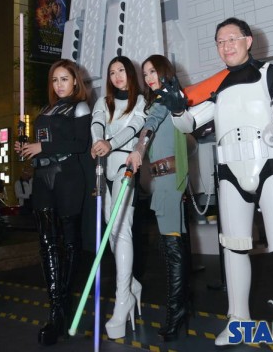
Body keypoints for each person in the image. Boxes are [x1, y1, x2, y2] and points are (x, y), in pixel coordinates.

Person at [155, 17, 273, 351]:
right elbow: (189, 124)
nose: (226, 46)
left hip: (271, 164)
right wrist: (178, 109)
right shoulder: (220, 87)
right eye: (220, 41)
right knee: (233, 248)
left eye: (232, 38)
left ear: (248, 40)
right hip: (230, 171)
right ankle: (238, 320)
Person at [14, 58, 91, 346]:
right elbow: (42, 144)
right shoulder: (46, 110)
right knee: (46, 242)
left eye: (64, 79)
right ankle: (57, 309)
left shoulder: (79, 107)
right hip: (42, 177)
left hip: (68, 177)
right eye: (55, 80)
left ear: (75, 81)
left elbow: (80, 144)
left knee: (69, 242)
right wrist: (27, 148)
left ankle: (61, 309)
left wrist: (42, 146)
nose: (59, 84)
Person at [126, 54, 190, 342]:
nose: (149, 77)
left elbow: (151, 124)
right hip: (166, 180)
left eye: (153, 71)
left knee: (173, 249)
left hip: (168, 181)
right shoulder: (168, 100)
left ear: (164, 71)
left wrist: (139, 149)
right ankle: (180, 308)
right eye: (146, 73)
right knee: (174, 248)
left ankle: (176, 312)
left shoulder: (166, 99)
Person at [90, 56, 146, 340]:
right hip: (105, 170)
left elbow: (134, 128)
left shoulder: (141, 101)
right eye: (111, 72)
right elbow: (97, 123)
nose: (116, 76)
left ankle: (122, 299)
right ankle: (132, 285)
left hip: (127, 168)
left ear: (130, 73)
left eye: (121, 70)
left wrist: (109, 143)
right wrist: (98, 142)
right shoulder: (104, 101)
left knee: (122, 230)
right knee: (112, 233)